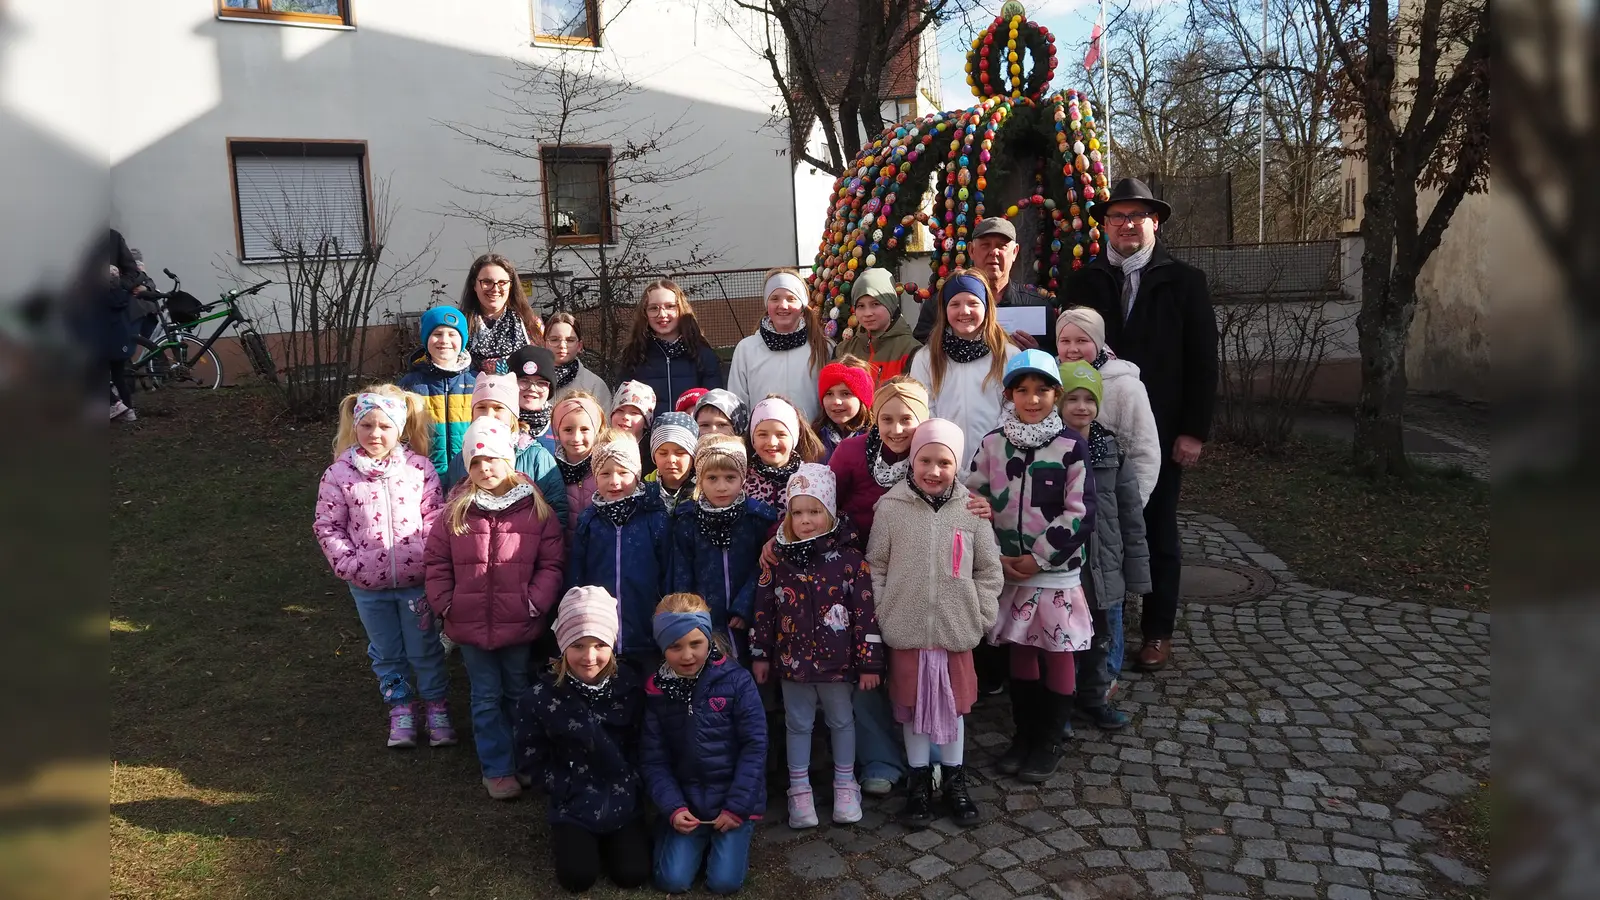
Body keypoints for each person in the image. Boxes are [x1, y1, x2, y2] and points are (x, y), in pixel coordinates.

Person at [1066, 177, 1217, 672]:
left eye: (1136, 216)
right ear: (1106, 226)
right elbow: (1066, 343)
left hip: (1164, 425)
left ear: (1155, 222)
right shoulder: (1085, 279)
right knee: (1095, 525)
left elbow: (1203, 360)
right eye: (1116, 217)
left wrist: (1194, 429)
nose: (1126, 225)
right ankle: (1103, 620)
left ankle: (1157, 631)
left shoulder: (1184, 280)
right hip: (1093, 423)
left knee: (1156, 528)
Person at [866, 419, 1002, 829]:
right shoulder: (891, 508)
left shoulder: (971, 510)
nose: (933, 470)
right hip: (906, 631)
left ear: (956, 465)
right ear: (913, 458)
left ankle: (955, 781)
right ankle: (919, 783)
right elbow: (877, 566)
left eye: (944, 462)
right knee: (911, 710)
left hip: (954, 631)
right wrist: (884, 610)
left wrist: (979, 616)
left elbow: (988, 571)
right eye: (925, 459)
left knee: (954, 708)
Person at [966, 350, 1095, 783]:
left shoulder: (1070, 446)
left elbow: (1079, 510)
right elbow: (974, 498)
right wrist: (997, 554)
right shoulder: (993, 443)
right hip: (1008, 568)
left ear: (1055, 394)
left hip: (1053, 570)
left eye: (1042, 390)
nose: (1032, 399)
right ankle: (1024, 732)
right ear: (1009, 395)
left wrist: (1039, 554)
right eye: (1022, 390)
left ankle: (1051, 737)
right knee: (1020, 648)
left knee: (1056, 650)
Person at [425, 417, 566, 800]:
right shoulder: (454, 512)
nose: (485, 469)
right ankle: (497, 767)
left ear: (509, 460)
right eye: (476, 462)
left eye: (492, 460)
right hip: (469, 624)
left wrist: (535, 601)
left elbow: (551, 564)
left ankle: (525, 761)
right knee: (485, 696)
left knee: (519, 692)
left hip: (520, 620)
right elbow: (436, 563)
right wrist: (447, 604)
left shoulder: (536, 510)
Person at [313, 386, 454, 749]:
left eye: (385, 426)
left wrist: (425, 555)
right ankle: (401, 708)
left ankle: (436, 707)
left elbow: (435, 516)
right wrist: (349, 563)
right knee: (386, 649)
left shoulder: (419, 469)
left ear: (400, 429)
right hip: (368, 586)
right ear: (356, 426)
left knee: (424, 647)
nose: (376, 434)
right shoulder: (340, 474)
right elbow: (328, 525)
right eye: (368, 425)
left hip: (415, 583)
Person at [751, 464, 884, 829]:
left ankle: (845, 783)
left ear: (830, 512)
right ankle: (799, 790)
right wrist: (761, 654)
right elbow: (763, 609)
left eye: (814, 512)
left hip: (838, 664)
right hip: (792, 663)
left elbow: (865, 615)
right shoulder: (777, 560)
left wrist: (870, 663)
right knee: (798, 724)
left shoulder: (850, 561)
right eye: (797, 512)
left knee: (841, 721)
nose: (805, 520)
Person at [513, 587, 651, 893]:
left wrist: (636, 780)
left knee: (632, 874)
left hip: (623, 798)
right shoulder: (539, 697)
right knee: (577, 878)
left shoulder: (631, 686)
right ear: (562, 646)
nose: (589, 657)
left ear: (613, 645)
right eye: (577, 645)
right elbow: (529, 754)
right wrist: (561, 785)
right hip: (572, 802)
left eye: (599, 644)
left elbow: (646, 741)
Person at [642, 593, 768, 895]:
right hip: (687, 802)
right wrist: (673, 808)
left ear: (708, 639)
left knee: (724, 883)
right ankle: (677, 838)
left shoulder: (738, 681)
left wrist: (737, 807)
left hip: (732, 800)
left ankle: (726, 841)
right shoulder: (656, 694)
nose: (687, 655)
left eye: (695, 644)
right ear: (662, 648)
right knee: (672, 881)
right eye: (675, 646)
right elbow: (653, 760)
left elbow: (755, 745)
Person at [1058, 363, 1147, 730]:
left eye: (1089, 399)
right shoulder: (1052, 447)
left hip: (1104, 563)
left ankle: (1094, 698)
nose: (1081, 407)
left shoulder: (1111, 450)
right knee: (1063, 640)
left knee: (1098, 638)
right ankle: (1059, 707)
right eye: (1072, 398)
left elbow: (1130, 513)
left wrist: (1138, 575)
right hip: (1065, 563)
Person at [570, 433, 673, 677]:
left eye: (623, 472)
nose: (614, 481)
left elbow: (669, 569)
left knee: (648, 690)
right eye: (605, 474)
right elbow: (576, 573)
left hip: (647, 628)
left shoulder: (655, 517)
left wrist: (667, 613)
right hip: (600, 634)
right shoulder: (589, 519)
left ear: (637, 475)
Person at [669, 435, 780, 640]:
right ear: (700, 479)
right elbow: (681, 573)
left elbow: (764, 566)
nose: (721, 487)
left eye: (730, 478)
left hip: (751, 621)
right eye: (712, 478)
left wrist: (745, 605)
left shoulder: (757, 518)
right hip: (704, 623)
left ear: (743, 479)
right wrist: (691, 614)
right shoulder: (687, 521)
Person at [908, 270, 1020, 469]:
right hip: (943, 467)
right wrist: (945, 456)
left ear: (987, 307)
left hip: (998, 463)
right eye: (955, 304)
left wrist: (990, 451)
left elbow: (1013, 408)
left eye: (973, 303)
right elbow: (924, 411)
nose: (964, 311)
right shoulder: (927, 358)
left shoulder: (1008, 356)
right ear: (944, 309)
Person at [1053, 306, 1159, 507]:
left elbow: (1144, 451)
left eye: (1082, 341)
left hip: (1108, 502)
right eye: (1065, 341)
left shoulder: (1126, 387)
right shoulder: (1047, 380)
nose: (1072, 349)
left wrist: (1133, 505)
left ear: (1098, 341)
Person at [442, 374, 569, 526]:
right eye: (481, 407)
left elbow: (557, 511)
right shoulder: (462, 459)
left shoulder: (537, 457)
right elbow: (449, 510)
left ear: (513, 415)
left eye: (498, 408)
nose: (489, 414)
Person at [912, 218, 1052, 349]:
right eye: (985, 245)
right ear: (971, 250)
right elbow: (920, 354)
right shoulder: (939, 305)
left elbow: (1058, 360)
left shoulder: (1037, 306)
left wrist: (1037, 355)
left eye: (1002, 246)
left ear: (1015, 252)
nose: (994, 252)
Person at [728, 268, 831, 421]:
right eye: (775, 298)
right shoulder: (746, 349)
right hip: (764, 442)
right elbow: (737, 404)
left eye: (791, 298)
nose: (783, 305)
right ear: (766, 304)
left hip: (813, 441)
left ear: (802, 306)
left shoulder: (824, 347)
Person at [616, 279, 724, 407]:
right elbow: (624, 406)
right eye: (653, 308)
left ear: (681, 310)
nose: (662, 314)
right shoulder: (633, 355)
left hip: (691, 427)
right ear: (645, 313)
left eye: (670, 306)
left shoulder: (703, 355)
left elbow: (713, 406)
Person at [399, 306, 476, 476]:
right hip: (422, 475)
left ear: (463, 339)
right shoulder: (411, 385)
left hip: (467, 475)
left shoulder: (476, 382)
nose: (444, 340)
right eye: (437, 334)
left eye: (452, 334)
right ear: (426, 338)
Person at [832, 268, 922, 383]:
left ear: (890, 304)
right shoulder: (842, 351)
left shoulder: (912, 352)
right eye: (861, 306)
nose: (868, 313)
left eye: (875, 304)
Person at [459, 253, 542, 375]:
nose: (495, 288)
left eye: (502, 282)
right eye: (487, 282)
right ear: (474, 285)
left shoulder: (530, 323)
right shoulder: (459, 325)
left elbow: (544, 365)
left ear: (511, 285)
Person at [744, 396, 824, 515]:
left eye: (781, 434)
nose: (772, 442)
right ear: (752, 439)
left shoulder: (810, 478)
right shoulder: (742, 479)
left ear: (794, 438)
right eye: (762, 434)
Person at [550, 393, 607, 538]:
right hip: (561, 553)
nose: (576, 438)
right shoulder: (549, 470)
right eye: (568, 430)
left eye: (584, 429)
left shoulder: (606, 468)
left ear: (597, 430)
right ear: (557, 432)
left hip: (598, 552)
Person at [543, 311, 612, 408]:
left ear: (579, 346)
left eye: (570, 340)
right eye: (554, 340)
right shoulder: (532, 382)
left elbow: (605, 422)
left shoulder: (594, 385)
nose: (562, 345)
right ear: (544, 344)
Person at [812, 358, 875, 463]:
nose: (836, 401)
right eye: (829, 394)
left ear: (863, 399)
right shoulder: (814, 437)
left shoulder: (874, 438)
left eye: (845, 393)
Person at [508, 344, 559, 456]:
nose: (532, 388)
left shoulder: (559, 424)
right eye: (524, 381)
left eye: (541, 383)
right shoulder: (501, 422)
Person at [645, 411, 699, 512]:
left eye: (680, 453)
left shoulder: (703, 492)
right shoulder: (643, 492)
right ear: (653, 456)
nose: (671, 460)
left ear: (693, 455)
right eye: (663, 453)